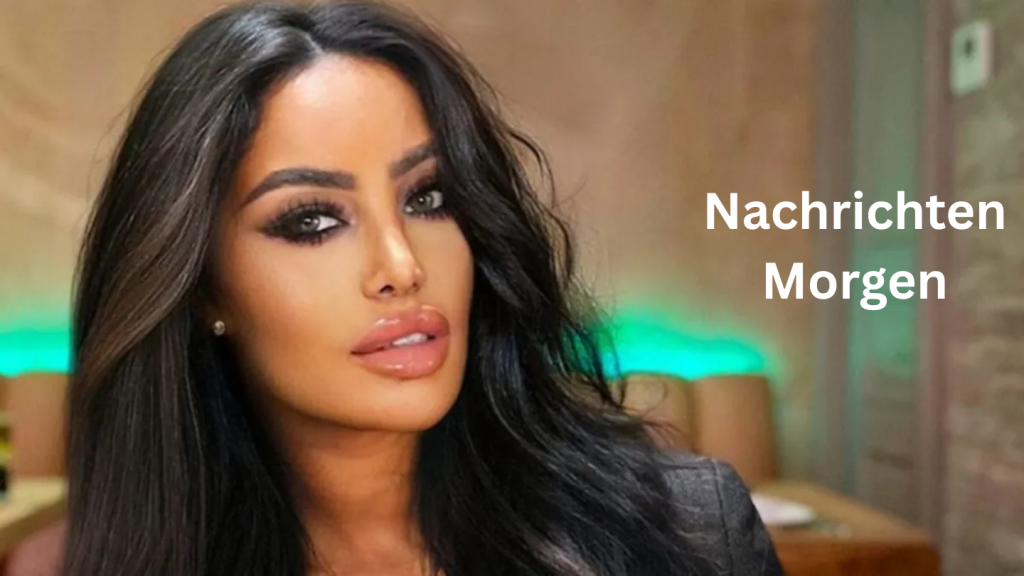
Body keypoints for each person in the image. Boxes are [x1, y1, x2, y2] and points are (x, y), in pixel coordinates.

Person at [64, 1, 783, 575]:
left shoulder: (693, 535)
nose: (402, 265)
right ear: (202, 288)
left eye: (428, 198)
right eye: (312, 221)